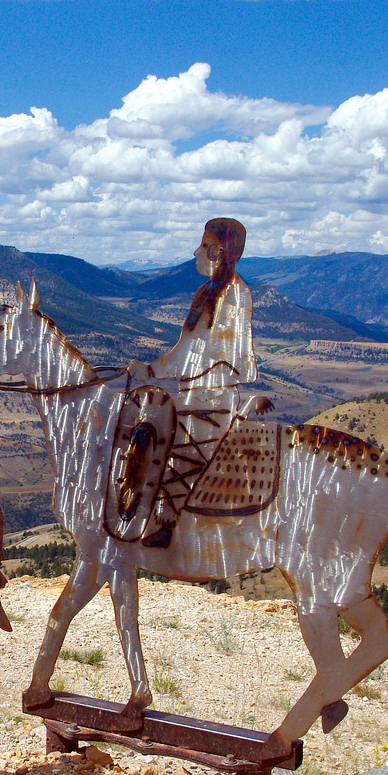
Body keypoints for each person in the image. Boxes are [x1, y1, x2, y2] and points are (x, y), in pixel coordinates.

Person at [127, 217, 272, 548]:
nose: (196, 251)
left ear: (220, 251)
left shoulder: (236, 295)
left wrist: (164, 375)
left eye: (205, 246)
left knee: (176, 449)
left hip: (213, 398)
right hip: (194, 393)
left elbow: (228, 358)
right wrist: (148, 371)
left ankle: (168, 523)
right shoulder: (206, 293)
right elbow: (184, 350)